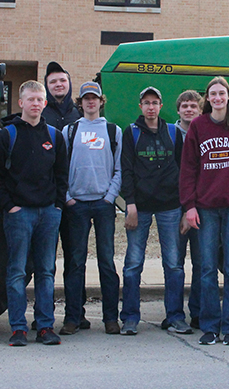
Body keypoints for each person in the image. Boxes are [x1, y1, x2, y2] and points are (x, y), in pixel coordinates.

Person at [0, 80, 68, 346]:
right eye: (30, 99)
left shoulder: (55, 137)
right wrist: (9, 206)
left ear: (45, 103)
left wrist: (57, 205)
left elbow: (62, 175)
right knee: (17, 271)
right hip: (18, 215)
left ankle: (45, 327)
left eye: (39, 100)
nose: (35, 104)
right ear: (20, 102)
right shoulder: (6, 136)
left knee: (46, 271)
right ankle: (18, 328)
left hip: (48, 213)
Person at [180, 76, 229, 346]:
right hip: (206, 208)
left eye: (221, 93)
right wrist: (189, 206)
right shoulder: (199, 126)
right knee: (206, 269)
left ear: (228, 96)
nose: (217, 98)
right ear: (208, 98)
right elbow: (188, 168)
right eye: (212, 94)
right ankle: (210, 327)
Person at [119, 87, 191, 335]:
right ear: (140, 106)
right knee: (132, 264)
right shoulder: (132, 132)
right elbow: (126, 169)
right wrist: (129, 204)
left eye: (155, 103)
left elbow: (184, 172)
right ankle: (129, 318)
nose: (151, 107)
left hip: (170, 207)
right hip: (140, 208)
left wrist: (185, 208)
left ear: (161, 106)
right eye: (146, 103)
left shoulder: (173, 133)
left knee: (174, 265)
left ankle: (175, 316)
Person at [60, 81, 123, 335]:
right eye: (86, 98)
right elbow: (60, 168)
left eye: (94, 98)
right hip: (76, 205)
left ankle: (110, 318)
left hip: (103, 204)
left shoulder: (112, 130)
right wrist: (67, 197)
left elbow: (119, 168)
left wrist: (110, 197)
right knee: (75, 263)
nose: (90, 102)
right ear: (80, 102)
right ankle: (73, 317)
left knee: (106, 262)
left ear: (101, 101)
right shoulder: (70, 131)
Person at [41, 61, 90, 333]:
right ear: (47, 88)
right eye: (53, 82)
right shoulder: (40, 114)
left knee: (75, 260)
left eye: (62, 81)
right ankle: (43, 316)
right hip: (46, 201)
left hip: (74, 203)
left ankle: (76, 314)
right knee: (45, 262)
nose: (58, 85)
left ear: (69, 84)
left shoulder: (79, 117)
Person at [174, 89, 203, 329]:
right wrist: (184, 208)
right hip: (176, 209)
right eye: (185, 106)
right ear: (178, 110)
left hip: (202, 208)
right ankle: (174, 315)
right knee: (175, 263)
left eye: (193, 106)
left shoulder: (206, 132)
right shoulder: (170, 135)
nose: (189, 109)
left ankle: (198, 312)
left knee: (203, 263)